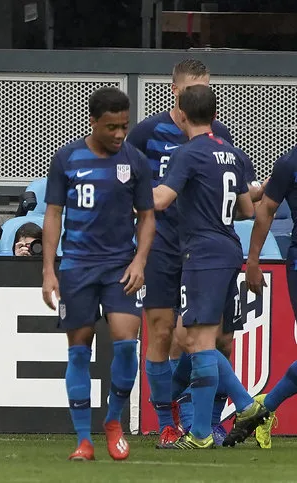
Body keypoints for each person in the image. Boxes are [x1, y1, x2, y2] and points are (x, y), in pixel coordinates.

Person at [127, 58, 265, 446]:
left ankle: (209, 421)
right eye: (194, 88)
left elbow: (236, 190)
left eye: (206, 87)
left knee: (211, 339)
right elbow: (128, 172)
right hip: (164, 247)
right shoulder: (148, 132)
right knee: (164, 333)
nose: (200, 93)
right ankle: (173, 423)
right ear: (176, 91)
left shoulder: (215, 139)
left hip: (200, 250)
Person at [42, 86, 155, 461]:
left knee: (126, 344)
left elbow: (148, 216)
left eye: (124, 126)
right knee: (78, 353)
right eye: (112, 128)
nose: (120, 134)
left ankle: (112, 420)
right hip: (76, 268)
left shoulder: (136, 161)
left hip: (120, 267)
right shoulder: (66, 158)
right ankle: (82, 440)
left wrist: (139, 261)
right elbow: (54, 214)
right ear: (93, 122)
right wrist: (48, 270)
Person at [233, 144, 297, 449]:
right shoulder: (289, 163)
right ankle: (264, 406)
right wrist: (254, 261)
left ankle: (264, 406)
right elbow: (267, 210)